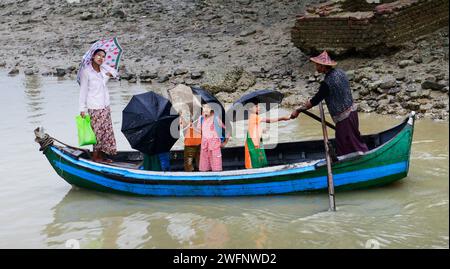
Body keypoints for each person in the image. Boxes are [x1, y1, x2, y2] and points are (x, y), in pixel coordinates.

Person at [290, 51, 368, 156]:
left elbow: (314, 101)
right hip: (353, 113)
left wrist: (298, 110)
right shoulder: (341, 72)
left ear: (323, 66)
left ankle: (358, 159)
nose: (316, 67)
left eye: (317, 65)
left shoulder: (327, 83)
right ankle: (362, 154)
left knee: (345, 144)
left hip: (344, 118)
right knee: (354, 138)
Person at [79, 48, 119, 163]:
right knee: (97, 133)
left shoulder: (104, 68)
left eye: (103, 56)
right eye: (99, 56)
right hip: (94, 107)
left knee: (106, 132)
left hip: (105, 105)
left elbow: (116, 73)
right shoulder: (86, 72)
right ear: (92, 57)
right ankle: (96, 157)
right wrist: (82, 109)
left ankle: (102, 156)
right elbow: (83, 91)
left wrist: (109, 74)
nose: (101, 58)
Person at [245, 103, 291, 169]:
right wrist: (282, 118)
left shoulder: (253, 116)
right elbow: (269, 120)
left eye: (258, 106)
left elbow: (253, 128)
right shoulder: (254, 116)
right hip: (252, 142)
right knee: (254, 158)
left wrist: (262, 130)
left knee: (257, 157)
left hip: (255, 141)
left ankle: (257, 170)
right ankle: (255, 171)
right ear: (250, 108)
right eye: (256, 106)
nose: (259, 108)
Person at [197, 104, 229, 172]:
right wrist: (191, 126)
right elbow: (199, 131)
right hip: (204, 147)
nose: (205, 109)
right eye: (204, 107)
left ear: (212, 108)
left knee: (216, 169)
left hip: (214, 146)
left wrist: (225, 142)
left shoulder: (216, 118)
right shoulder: (201, 118)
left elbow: (228, 129)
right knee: (204, 169)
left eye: (208, 107)